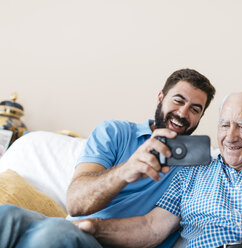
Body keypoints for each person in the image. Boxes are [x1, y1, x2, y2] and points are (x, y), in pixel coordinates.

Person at [74, 91, 242, 248]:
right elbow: (150, 228)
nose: (231, 136)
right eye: (224, 125)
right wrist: (95, 227)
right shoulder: (190, 174)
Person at [0, 68, 216, 248]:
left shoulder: (196, 164)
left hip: (97, 239)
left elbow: (153, 229)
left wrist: (93, 227)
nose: (183, 113)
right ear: (160, 97)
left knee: (54, 234)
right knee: (6, 215)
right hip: (69, 226)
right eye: (178, 101)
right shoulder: (114, 133)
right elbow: (75, 203)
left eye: (195, 109)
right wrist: (125, 171)